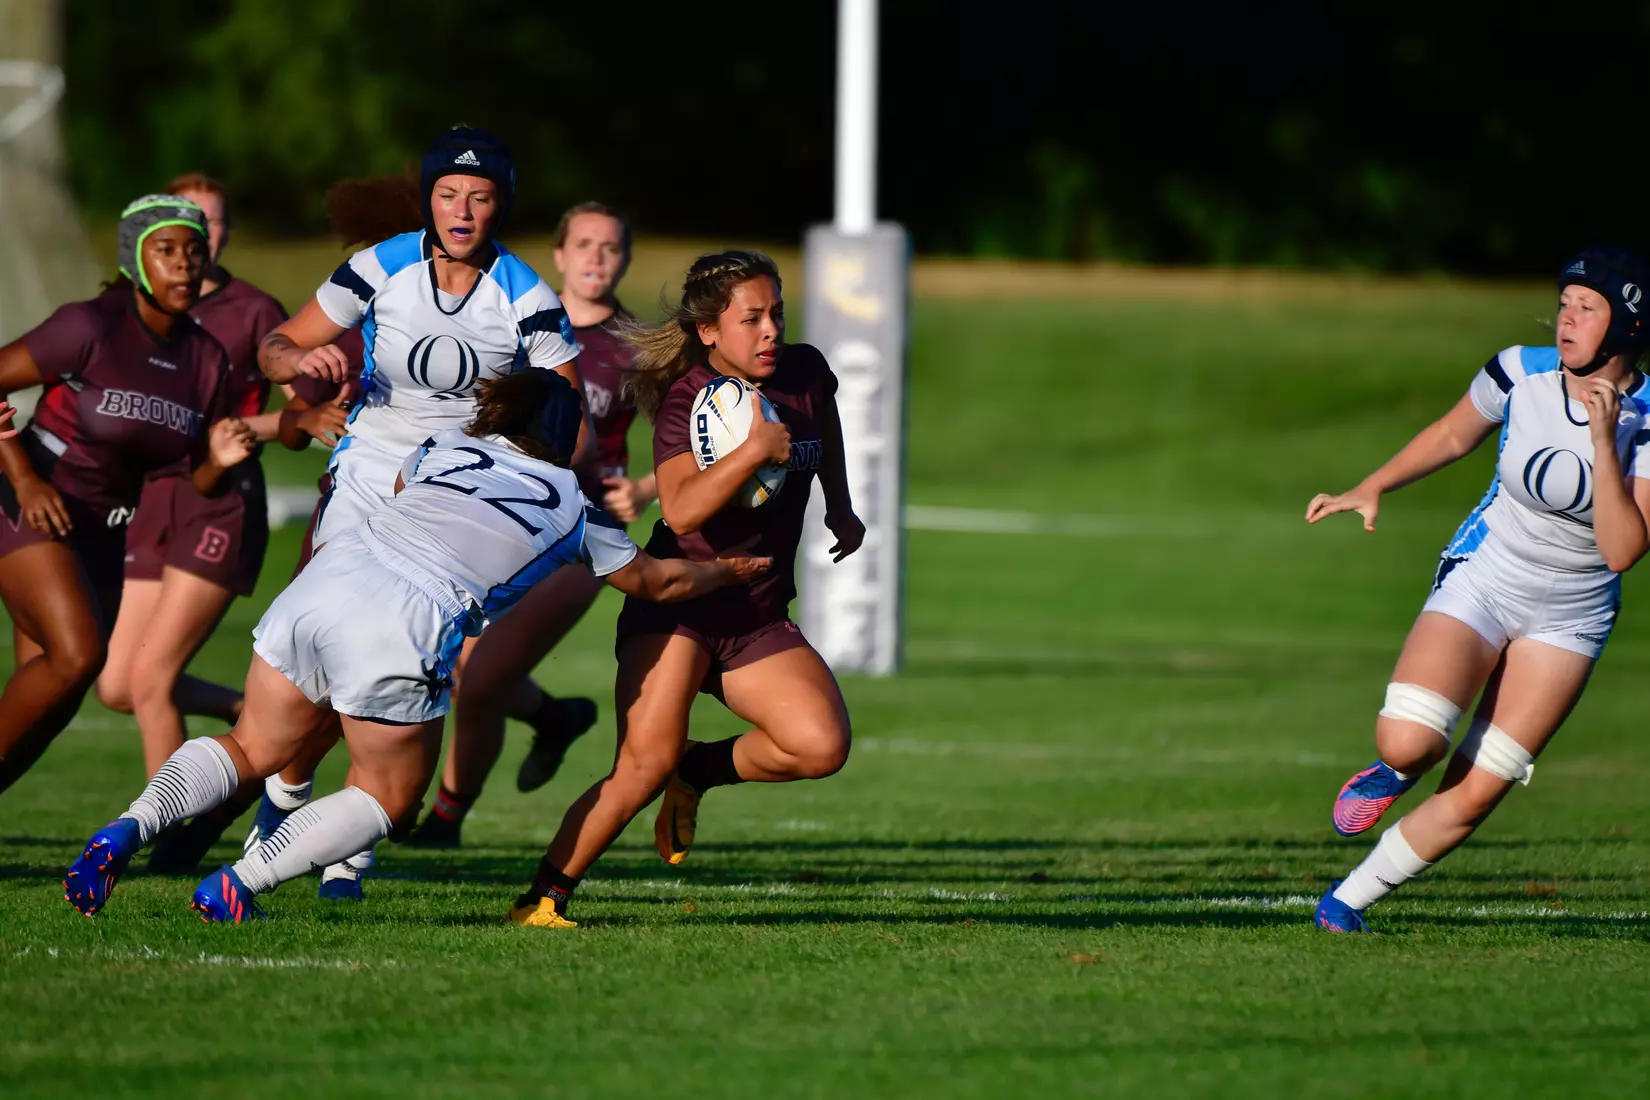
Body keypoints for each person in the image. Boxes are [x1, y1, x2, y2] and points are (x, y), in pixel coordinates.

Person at [63, 369, 769, 922]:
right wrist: (723, 572)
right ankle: (239, 883)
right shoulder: (571, 503)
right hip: (405, 617)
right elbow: (655, 584)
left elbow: (406, 486)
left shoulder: (447, 447)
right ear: (561, 432)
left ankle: (127, 827)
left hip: (327, 577)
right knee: (390, 796)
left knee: (251, 745)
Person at [246, 127, 592, 897]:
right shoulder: (380, 266)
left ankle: (350, 842)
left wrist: (534, 485)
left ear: (499, 205)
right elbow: (275, 346)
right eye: (448, 194)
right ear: (429, 200)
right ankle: (287, 800)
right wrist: (301, 363)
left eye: (479, 196)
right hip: (369, 473)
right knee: (319, 651)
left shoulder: (526, 295)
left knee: (404, 663)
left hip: (455, 499)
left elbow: (571, 413)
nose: (462, 210)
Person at [509, 249, 865, 930]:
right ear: (709, 331)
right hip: (678, 606)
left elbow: (828, 428)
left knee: (819, 744)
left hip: (756, 610)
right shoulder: (686, 402)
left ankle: (697, 771)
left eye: (777, 312)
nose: (770, 330)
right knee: (641, 766)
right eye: (751, 318)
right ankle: (542, 900)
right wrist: (753, 452)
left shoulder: (806, 370)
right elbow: (681, 510)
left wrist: (839, 503)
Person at [1307, 247, 1650, 933]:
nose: (1566, 319)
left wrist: (1607, 439)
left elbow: (1622, 549)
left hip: (1572, 618)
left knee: (1476, 791)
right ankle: (1395, 772)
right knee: (1409, 742)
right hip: (1487, 576)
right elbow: (1451, 434)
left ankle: (1346, 903)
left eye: (1587, 308)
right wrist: (1373, 485)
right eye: (1564, 304)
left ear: (1626, 328)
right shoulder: (1518, 371)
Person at [408, 201, 647, 847]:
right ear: (560, 255)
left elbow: (693, 434)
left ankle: (445, 822)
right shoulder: (517, 326)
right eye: (585, 244)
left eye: (611, 246)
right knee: (449, 665)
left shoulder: (639, 347)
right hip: (500, 513)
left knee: (481, 680)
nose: (597, 257)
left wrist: (644, 490)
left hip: (580, 528)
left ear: (624, 258)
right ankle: (555, 717)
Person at [0, 195, 254, 795]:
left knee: (55, 698)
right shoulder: (90, 323)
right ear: (135, 259)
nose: (185, 265)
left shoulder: (206, 358)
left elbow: (194, 478)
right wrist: (24, 478)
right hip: (28, 503)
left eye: (194, 252)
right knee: (79, 654)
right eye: (166, 251)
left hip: (103, 530)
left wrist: (218, 462)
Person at [94, 174, 290, 782]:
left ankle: (160, 830)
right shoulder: (133, 308)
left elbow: (303, 414)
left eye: (215, 222)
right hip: (152, 502)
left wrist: (242, 431)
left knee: (151, 682)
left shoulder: (255, 311)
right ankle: (257, 718)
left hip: (219, 501)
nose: (203, 236)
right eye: (190, 223)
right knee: (117, 684)